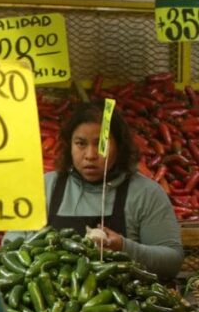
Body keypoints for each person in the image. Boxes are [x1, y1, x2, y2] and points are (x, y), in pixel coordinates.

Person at [11, 102, 183, 280]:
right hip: (52, 304)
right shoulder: (45, 188)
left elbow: (172, 262)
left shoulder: (145, 193)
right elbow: (10, 248)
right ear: (69, 145)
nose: (90, 155)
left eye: (102, 144)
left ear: (120, 146)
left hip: (124, 305)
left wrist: (125, 247)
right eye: (80, 144)